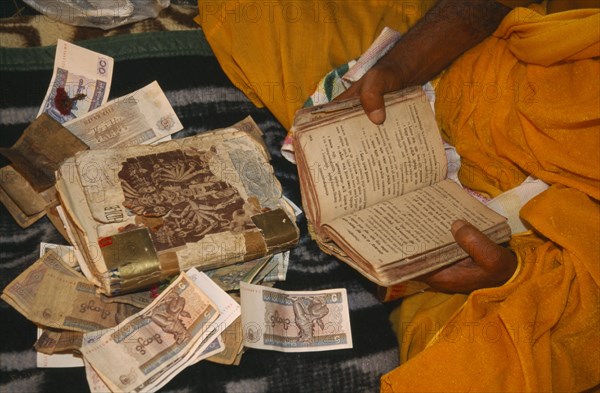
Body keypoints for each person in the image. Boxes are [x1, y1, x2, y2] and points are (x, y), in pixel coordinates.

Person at [197, 0, 599, 391]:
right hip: (470, 83)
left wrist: (511, 272)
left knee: (476, 367)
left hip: (556, 251)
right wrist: (399, 66)